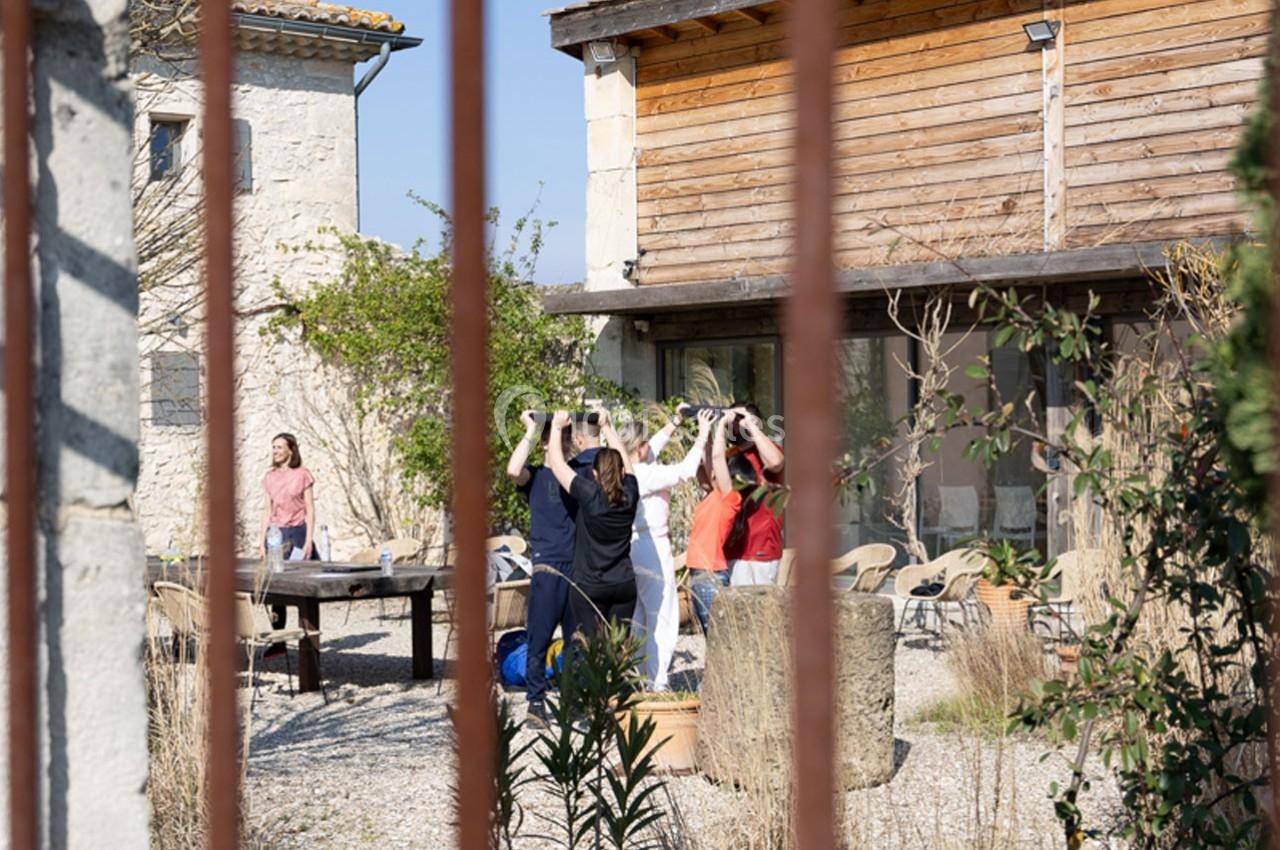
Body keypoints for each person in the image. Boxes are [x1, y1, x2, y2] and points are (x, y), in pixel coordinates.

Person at [505, 410, 600, 730]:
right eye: (559, 438)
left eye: (568, 438)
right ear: (546, 444)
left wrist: (602, 426)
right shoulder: (535, 477)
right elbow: (513, 469)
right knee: (539, 638)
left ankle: (575, 703)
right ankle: (536, 703)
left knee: (577, 641)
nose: (567, 443)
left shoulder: (579, 474)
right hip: (547, 567)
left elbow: (610, 464)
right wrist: (533, 430)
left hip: (576, 569)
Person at [617, 407, 714, 691]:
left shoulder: (630, 469)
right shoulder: (645, 474)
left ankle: (640, 675)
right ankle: (657, 682)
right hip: (651, 545)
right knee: (663, 613)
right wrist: (703, 434)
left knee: (642, 615)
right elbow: (685, 472)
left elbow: (652, 448)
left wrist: (676, 420)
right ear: (639, 447)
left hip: (633, 546)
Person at [545, 409, 639, 642]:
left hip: (591, 585)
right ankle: (619, 679)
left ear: (595, 474)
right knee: (618, 649)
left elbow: (557, 465)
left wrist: (556, 427)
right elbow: (628, 466)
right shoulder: (630, 494)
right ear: (620, 473)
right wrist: (607, 427)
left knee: (594, 652)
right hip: (624, 584)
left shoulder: (591, 496)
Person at [684, 411, 742, 633]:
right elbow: (710, 460)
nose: (704, 472)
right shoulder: (713, 496)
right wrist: (705, 432)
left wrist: (720, 426)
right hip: (700, 574)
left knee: (716, 637)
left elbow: (717, 460)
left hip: (710, 576)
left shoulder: (730, 498)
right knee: (713, 639)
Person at [258, 432, 315, 633]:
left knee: (303, 583)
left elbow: (310, 508)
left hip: (298, 532)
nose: (275, 451)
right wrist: (261, 542)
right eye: (273, 447)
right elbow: (267, 510)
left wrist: (309, 540)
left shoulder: (302, 474)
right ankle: (278, 635)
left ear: (291, 449)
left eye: (280, 447)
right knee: (276, 585)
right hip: (276, 535)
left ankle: (307, 631)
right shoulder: (270, 477)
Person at [724, 402, 785, 586]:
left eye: (736, 421)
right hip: (733, 548)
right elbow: (708, 484)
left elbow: (775, 463)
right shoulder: (730, 455)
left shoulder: (768, 451)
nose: (732, 426)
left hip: (761, 549)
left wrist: (751, 425)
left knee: (762, 610)